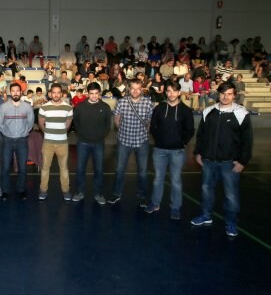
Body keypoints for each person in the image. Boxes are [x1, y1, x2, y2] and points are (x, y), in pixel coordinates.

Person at [191, 81, 253, 237]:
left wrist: (242, 161)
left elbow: (247, 140)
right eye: (223, 93)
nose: (226, 97)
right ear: (218, 94)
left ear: (234, 95)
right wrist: (198, 152)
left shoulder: (241, 113)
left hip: (229, 163)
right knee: (206, 190)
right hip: (209, 161)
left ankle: (231, 223)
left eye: (229, 94)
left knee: (231, 195)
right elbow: (201, 136)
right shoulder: (209, 112)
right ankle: (206, 216)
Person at [145, 80, 195, 220]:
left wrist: (182, 142)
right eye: (168, 91)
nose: (171, 94)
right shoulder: (159, 108)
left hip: (177, 151)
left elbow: (190, 130)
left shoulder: (185, 111)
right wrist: (159, 140)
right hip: (159, 150)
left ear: (179, 92)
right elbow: (153, 126)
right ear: (165, 92)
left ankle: (175, 207)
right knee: (158, 179)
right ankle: (155, 203)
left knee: (176, 180)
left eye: (174, 91)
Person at [108, 79, 155, 207]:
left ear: (142, 90)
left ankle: (142, 196)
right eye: (133, 88)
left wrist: (145, 133)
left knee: (143, 171)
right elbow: (116, 119)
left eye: (138, 88)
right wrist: (122, 130)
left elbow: (150, 121)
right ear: (129, 89)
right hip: (124, 141)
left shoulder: (147, 103)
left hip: (142, 142)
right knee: (119, 169)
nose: (135, 91)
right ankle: (116, 194)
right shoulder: (122, 102)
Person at [72, 82, 112, 205]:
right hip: (83, 143)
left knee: (99, 170)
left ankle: (98, 194)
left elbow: (107, 125)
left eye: (96, 93)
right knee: (80, 169)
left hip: (98, 143)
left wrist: (100, 136)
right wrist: (82, 135)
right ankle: (79, 192)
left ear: (99, 93)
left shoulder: (105, 107)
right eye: (91, 93)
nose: (94, 96)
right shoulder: (79, 107)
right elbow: (76, 123)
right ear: (87, 93)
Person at [0, 83, 35, 200]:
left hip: (22, 141)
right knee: (6, 167)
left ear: (21, 92)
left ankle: (21, 189)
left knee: (22, 168)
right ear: (10, 92)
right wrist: (7, 133)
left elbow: (30, 122)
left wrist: (23, 132)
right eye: (13, 91)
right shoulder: (3, 107)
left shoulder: (27, 107)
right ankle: (5, 191)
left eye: (17, 91)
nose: (15, 93)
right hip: (7, 140)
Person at [37, 83, 74, 201]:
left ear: (61, 94)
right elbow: (41, 124)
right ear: (50, 94)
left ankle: (66, 190)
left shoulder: (68, 108)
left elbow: (68, 125)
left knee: (64, 168)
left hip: (62, 143)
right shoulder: (44, 107)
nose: (56, 95)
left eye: (58, 92)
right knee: (45, 168)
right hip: (48, 143)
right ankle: (43, 190)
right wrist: (48, 133)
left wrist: (59, 133)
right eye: (54, 92)